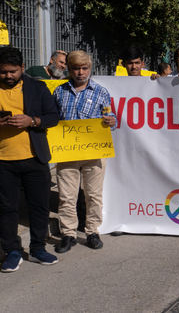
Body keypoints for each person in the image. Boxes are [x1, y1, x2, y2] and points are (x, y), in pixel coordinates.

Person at [0, 46, 60, 272]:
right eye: (3, 72)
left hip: (35, 158)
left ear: (22, 68)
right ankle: (13, 251)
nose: (8, 76)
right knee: (6, 208)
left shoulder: (38, 87)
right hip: (3, 160)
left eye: (13, 71)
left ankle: (37, 249)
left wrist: (32, 121)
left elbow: (53, 117)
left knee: (39, 206)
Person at [53, 50, 117, 253]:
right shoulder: (59, 91)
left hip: (94, 154)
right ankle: (68, 234)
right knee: (66, 196)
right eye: (76, 68)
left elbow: (110, 117)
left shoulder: (101, 92)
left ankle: (92, 231)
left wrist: (112, 121)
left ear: (90, 68)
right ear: (69, 69)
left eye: (84, 68)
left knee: (94, 195)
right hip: (67, 153)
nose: (81, 72)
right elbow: (52, 119)